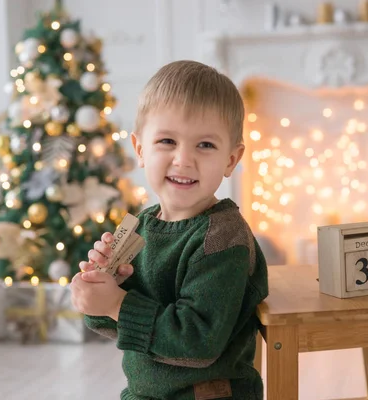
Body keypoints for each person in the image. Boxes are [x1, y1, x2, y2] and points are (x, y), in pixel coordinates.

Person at [70, 60, 269, 400]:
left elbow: (196, 342)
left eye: (205, 145)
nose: (183, 159)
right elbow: (118, 325)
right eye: (166, 141)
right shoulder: (143, 225)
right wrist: (99, 294)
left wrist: (118, 304)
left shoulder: (222, 239)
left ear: (231, 160)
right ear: (140, 149)